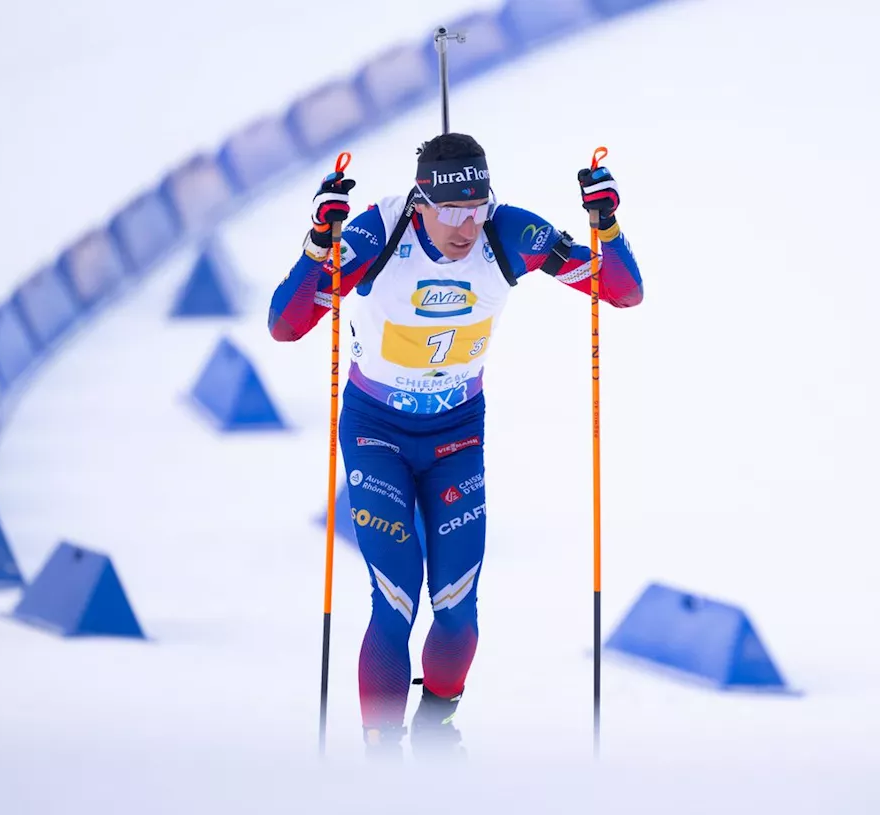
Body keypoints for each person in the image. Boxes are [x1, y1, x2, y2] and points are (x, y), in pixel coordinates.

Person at [267, 133, 644, 759]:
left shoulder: (508, 236)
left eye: (476, 206)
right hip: (376, 431)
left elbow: (622, 291)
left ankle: (438, 730)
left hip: (457, 433)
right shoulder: (378, 236)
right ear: (421, 203)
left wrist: (606, 223)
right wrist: (318, 245)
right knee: (395, 600)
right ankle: (382, 755)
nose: (466, 225)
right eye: (451, 210)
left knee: (456, 608)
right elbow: (286, 325)